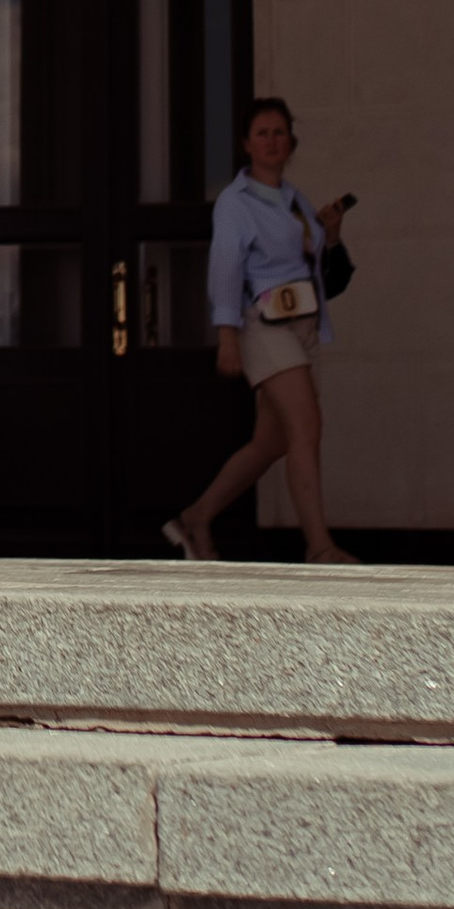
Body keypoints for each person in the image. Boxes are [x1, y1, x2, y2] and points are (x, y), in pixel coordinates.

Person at [166, 97, 355, 567]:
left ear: (291, 140)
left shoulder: (295, 199)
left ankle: (196, 516)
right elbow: (225, 269)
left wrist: (329, 235)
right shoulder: (236, 203)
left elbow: (316, 271)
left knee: (272, 442)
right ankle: (319, 547)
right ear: (247, 144)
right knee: (307, 426)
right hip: (264, 327)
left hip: (302, 325)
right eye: (263, 133)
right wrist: (227, 334)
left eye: (280, 132)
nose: (272, 141)